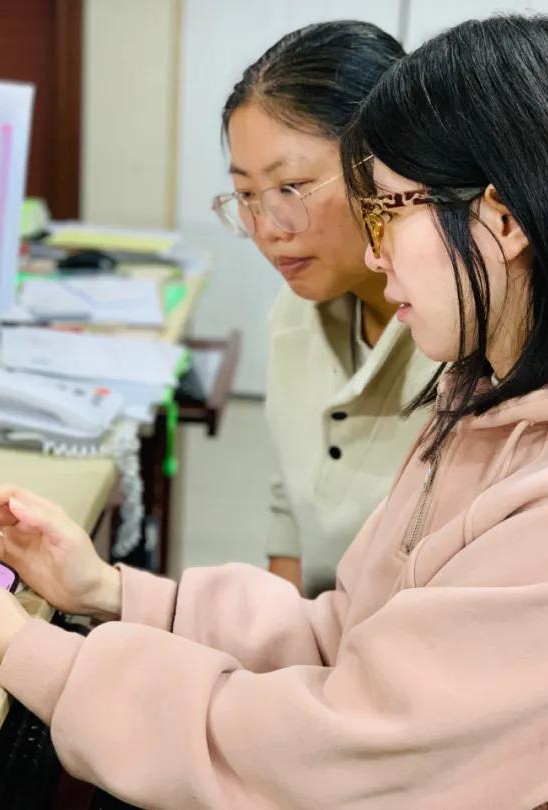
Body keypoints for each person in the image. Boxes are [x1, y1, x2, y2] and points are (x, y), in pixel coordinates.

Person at [0, 15, 548, 809]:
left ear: (505, 220)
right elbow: (348, 636)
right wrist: (109, 592)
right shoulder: (497, 400)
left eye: (387, 210)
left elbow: (340, 754)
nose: (373, 248)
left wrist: (32, 652)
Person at [211, 21, 437, 594]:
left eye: (291, 187)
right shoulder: (294, 312)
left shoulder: (462, 343)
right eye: (246, 195)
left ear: (389, 169)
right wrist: (278, 633)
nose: (268, 228)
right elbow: (291, 494)